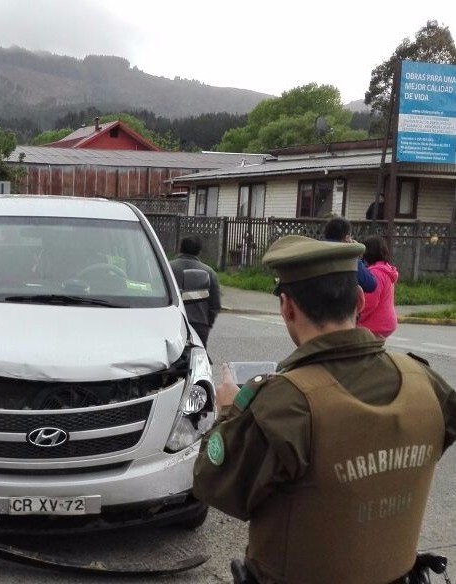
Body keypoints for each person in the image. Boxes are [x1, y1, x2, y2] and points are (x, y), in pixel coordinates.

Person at [193, 235, 456, 584]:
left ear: (287, 307)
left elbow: (214, 485)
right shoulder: (426, 382)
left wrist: (230, 412)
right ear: (361, 299)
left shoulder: (283, 405)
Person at [168, 235, 221, 346]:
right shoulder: (209, 272)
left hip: (171, 321)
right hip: (199, 324)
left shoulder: (167, 267)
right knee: (197, 358)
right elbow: (215, 304)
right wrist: (207, 323)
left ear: (180, 248)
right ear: (199, 252)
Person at [321, 216, 377, 293]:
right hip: (342, 302)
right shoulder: (349, 258)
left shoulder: (316, 253)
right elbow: (370, 285)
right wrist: (356, 255)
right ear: (347, 238)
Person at [358, 235, 398, 339]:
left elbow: (370, 302)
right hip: (386, 321)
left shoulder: (375, 273)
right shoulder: (386, 268)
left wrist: (356, 318)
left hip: (375, 324)